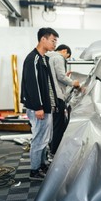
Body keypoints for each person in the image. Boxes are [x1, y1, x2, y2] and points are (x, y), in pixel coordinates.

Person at [20, 27, 59, 181]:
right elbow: (32, 85)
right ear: (43, 39)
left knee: (45, 138)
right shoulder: (33, 59)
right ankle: (35, 170)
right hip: (39, 108)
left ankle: (42, 165)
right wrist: (38, 107)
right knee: (39, 138)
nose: (55, 43)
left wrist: (52, 104)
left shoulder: (44, 58)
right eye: (53, 40)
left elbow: (48, 85)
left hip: (45, 106)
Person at [46, 44, 80, 158]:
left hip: (49, 96)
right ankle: (55, 152)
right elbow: (60, 77)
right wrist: (73, 83)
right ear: (65, 51)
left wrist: (65, 77)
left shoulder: (47, 56)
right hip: (57, 97)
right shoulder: (59, 57)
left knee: (52, 125)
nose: (66, 59)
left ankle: (51, 149)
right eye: (67, 57)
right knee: (59, 125)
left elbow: (55, 76)